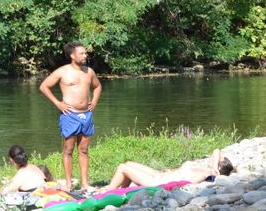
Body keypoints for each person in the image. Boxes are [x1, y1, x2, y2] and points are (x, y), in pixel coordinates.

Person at [39, 41, 103, 190]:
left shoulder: (89, 71)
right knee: (68, 149)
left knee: (84, 150)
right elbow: (44, 86)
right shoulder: (62, 71)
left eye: (85, 53)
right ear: (72, 55)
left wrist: (94, 101)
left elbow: (98, 86)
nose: (85, 55)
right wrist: (57, 103)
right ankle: (68, 184)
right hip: (70, 115)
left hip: (86, 114)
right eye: (82, 53)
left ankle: (85, 183)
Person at [104, 149, 233, 190]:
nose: (211, 159)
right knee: (128, 163)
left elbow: (192, 182)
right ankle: (121, 191)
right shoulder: (208, 168)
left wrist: (213, 170)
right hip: (158, 175)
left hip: (157, 182)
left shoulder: (208, 172)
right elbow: (217, 150)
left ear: (219, 166)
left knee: (123, 168)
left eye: (216, 161)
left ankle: (108, 192)